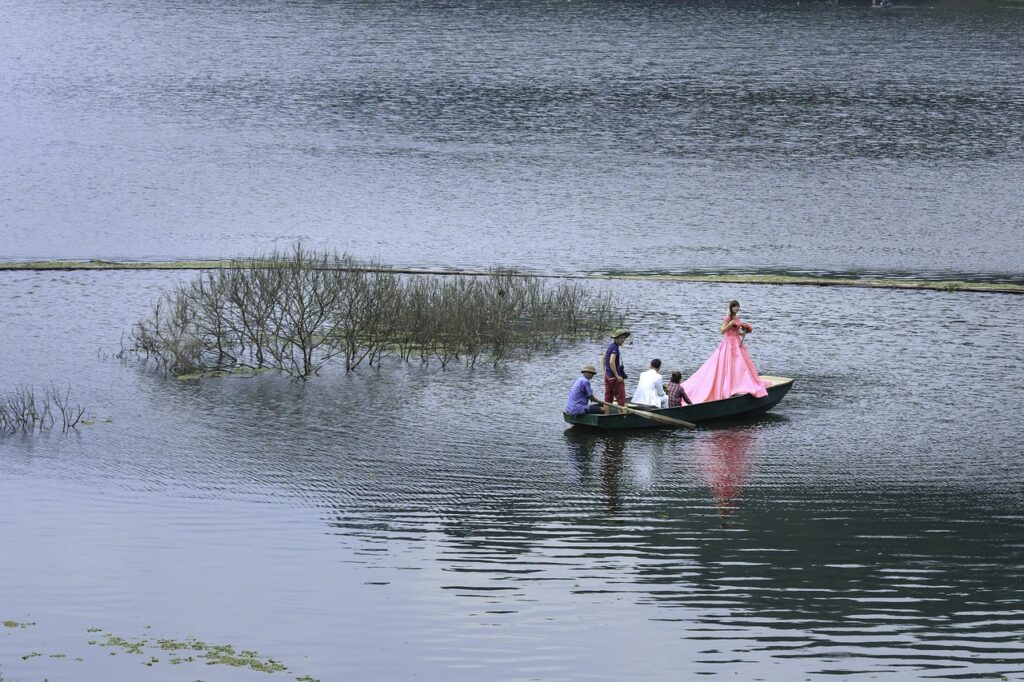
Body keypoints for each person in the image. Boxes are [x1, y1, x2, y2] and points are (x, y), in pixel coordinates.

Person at [682, 300, 768, 404]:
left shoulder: (737, 318)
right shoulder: (728, 318)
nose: (736, 308)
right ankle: (730, 384)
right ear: (731, 308)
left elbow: (735, 332)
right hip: (729, 343)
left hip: (736, 342)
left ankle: (739, 382)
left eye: (737, 307)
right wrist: (729, 324)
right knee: (729, 362)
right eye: (734, 307)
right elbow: (722, 331)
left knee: (740, 364)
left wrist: (742, 333)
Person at [602, 329, 630, 414]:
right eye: (621, 338)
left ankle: (606, 416)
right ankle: (620, 418)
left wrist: (604, 371)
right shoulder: (615, 349)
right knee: (621, 399)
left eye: (624, 338)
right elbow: (611, 361)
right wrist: (617, 375)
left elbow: (603, 357)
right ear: (616, 338)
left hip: (608, 376)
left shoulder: (610, 346)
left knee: (608, 398)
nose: (622, 340)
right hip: (614, 378)